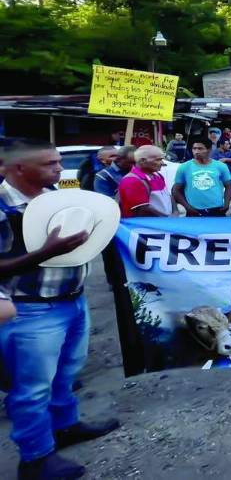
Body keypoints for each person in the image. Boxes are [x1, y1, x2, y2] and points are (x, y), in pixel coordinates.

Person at [0, 139, 119, 479]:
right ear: (20, 168)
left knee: (67, 373)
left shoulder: (53, 196)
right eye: (50, 163)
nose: (58, 169)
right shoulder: (2, 205)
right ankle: (35, 458)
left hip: (72, 298)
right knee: (32, 387)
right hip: (31, 309)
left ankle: (65, 425)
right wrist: (44, 252)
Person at [172, 137, 231, 217]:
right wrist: (188, 207)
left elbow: (228, 186)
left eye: (200, 149)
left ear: (209, 150)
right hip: (194, 211)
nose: (196, 152)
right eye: (194, 149)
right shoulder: (184, 167)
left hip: (217, 210)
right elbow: (176, 190)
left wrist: (226, 204)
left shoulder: (221, 166)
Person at [118, 146, 173, 218]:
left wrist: (175, 211)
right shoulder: (132, 181)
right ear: (142, 161)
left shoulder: (158, 175)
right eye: (158, 160)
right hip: (146, 226)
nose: (162, 163)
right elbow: (142, 210)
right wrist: (167, 218)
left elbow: (168, 196)